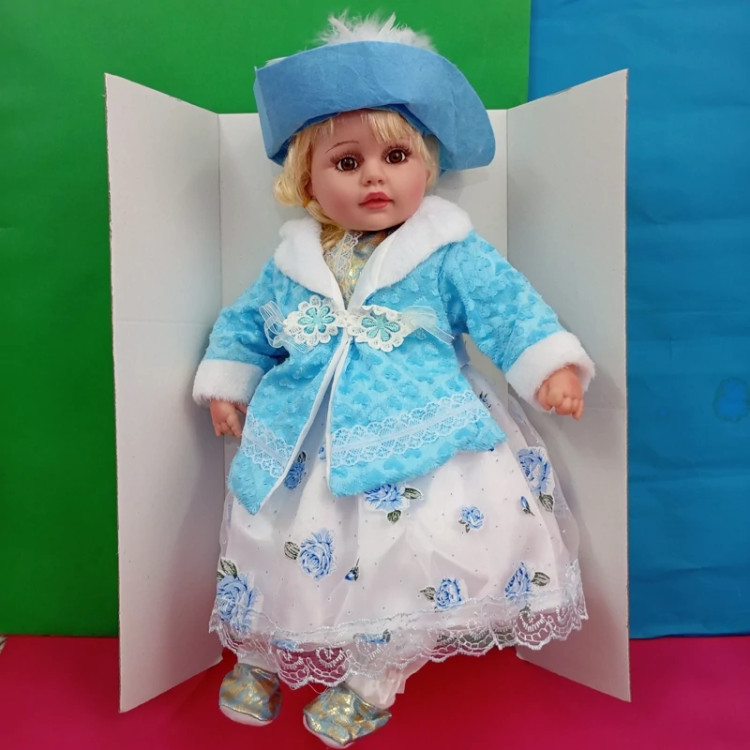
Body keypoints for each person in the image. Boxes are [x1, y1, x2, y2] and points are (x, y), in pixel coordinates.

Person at [192, 14, 594, 748]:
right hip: (305, 435)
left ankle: (371, 682)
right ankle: (262, 654)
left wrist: (550, 365)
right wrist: (229, 382)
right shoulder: (292, 261)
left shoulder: (447, 251)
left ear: (427, 168)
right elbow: (246, 323)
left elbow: (505, 307)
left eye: (396, 155)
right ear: (307, 182)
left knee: (402, 555)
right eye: (347, 162)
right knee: (274, 537)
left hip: (418, 430)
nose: (374, 176)